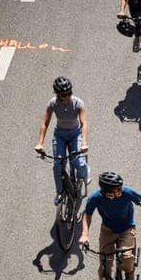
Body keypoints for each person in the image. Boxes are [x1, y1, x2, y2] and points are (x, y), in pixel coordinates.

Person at [79, 172, 141, 280]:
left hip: (127, 228)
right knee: (104, 268)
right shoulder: (95, 197)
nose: (120, 191)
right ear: (106, 192)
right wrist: (85, 234)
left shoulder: (127, 192)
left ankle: (129, 275)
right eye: (116, 190)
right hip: (108, 231)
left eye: (120, 188)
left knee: (126, 257)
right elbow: (87, 215)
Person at [35, 76, 89, 205]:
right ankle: (60, 192)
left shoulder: (78, 103)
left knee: (79, 163)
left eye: (68, 93)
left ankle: (84, 175)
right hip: (60, 135)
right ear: (57, 94)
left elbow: (84, 123)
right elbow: (44, 123)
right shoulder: (53, 104)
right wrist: (40, 143)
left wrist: (84, 142)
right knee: (57, 165)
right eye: (62, 95)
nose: (65, 97)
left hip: (75, 134)